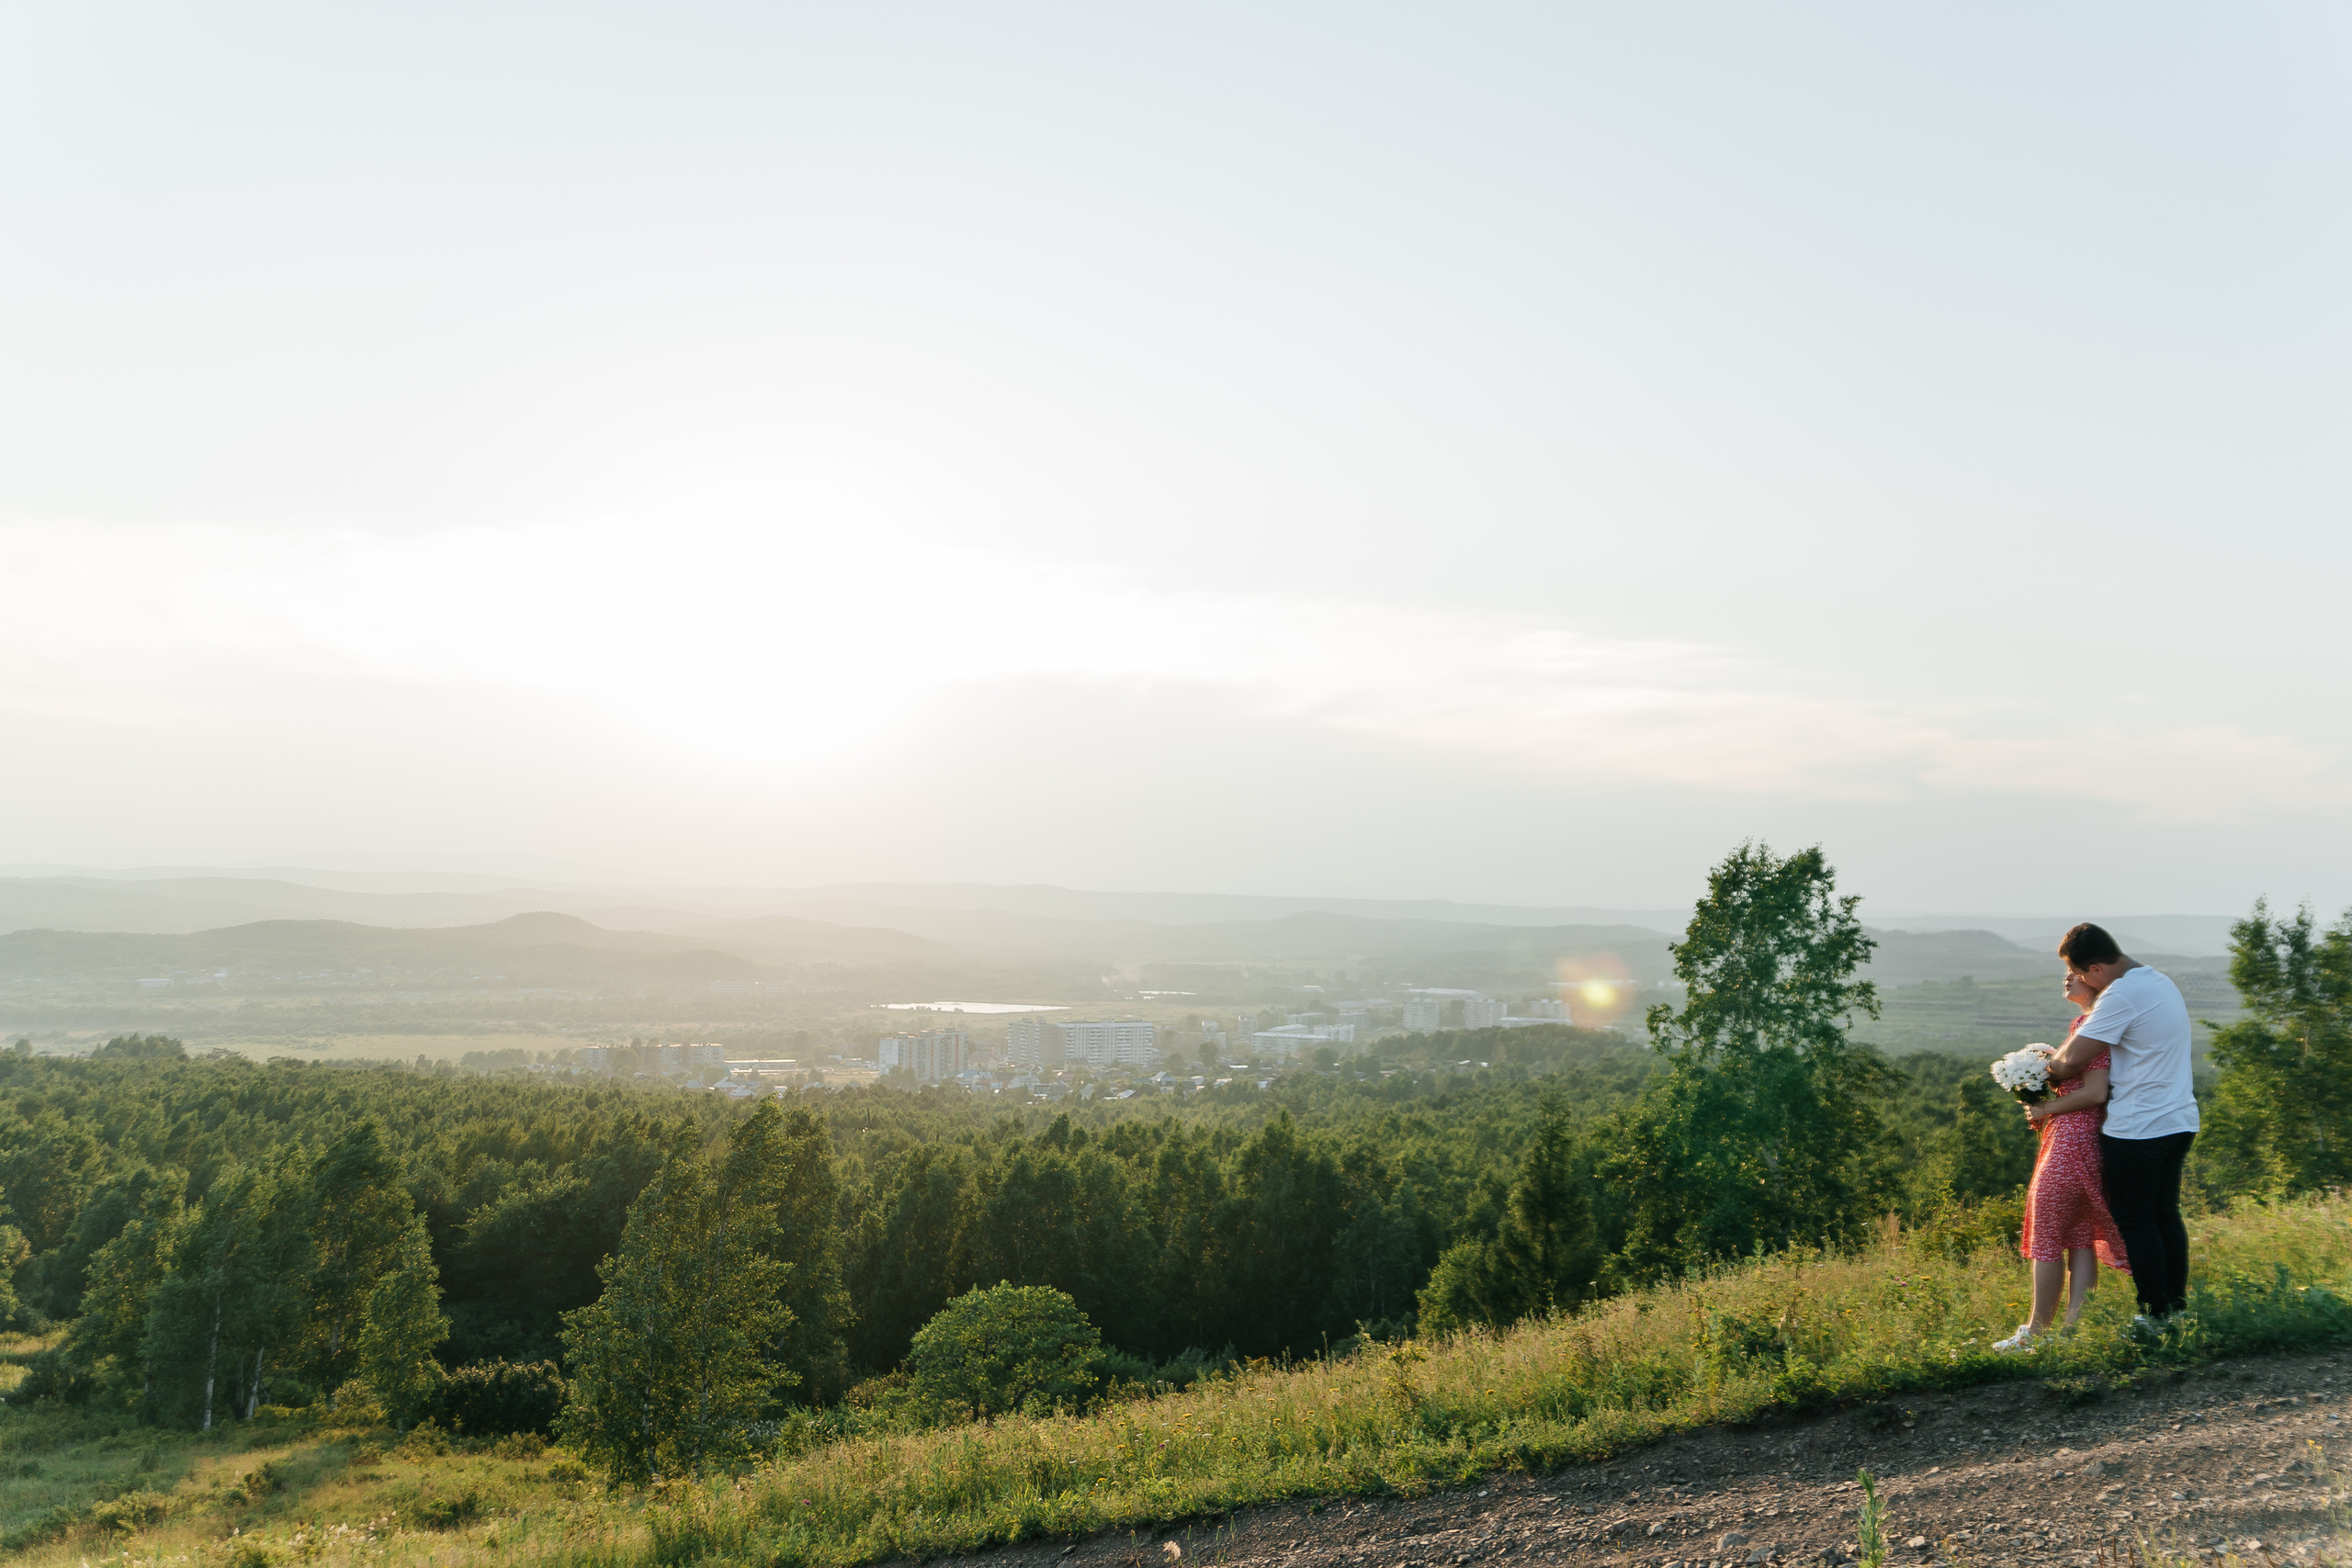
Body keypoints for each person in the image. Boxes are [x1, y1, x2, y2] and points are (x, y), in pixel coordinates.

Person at [2038, 921, 2199, 1328]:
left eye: (2080, 972)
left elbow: (2071, 1060)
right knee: (2165, 1216)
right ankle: (2175, 1308)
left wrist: (2039, 1074)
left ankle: (2153, 1314)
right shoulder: (2158, 981)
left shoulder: (2121, 994)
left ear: (2095, 969)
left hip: (2139, 1126)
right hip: (2179, 1118)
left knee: (2137, 1221)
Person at [1995, 971, 2128, 1351]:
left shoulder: (2093, 1026)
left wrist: (2045, 1107)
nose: (2068, 977)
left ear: (2096, 983)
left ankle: (2036, 1333)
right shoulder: (2084, 1024)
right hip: (2080, 1139)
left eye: (2077, 972)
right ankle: (2074, 1333)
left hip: (2072, 1140)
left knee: (2047, 1234)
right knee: (2079, 1236)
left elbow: (2096, 1090)